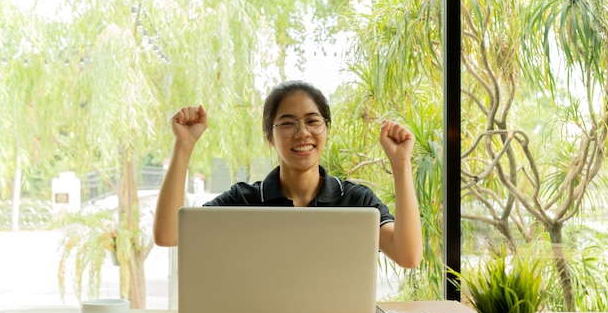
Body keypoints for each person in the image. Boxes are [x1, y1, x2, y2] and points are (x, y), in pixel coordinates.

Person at [153, 80, 423, 269]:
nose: (302, 132)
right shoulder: (243, 200)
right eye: (287, 123)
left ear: (326, 129)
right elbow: (168, 235)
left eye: (312, 121)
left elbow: (408, 256)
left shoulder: (356, 201)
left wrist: (401, 163)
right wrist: (184, 144)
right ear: (270, 137)